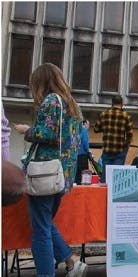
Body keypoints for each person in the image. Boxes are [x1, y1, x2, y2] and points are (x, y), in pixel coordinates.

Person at [12, 63, 87, 277]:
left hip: (44, 172)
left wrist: (27, 131)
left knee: (41, 230)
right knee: (44, 222)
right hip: (61, 175)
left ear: (41, 82)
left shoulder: (51, 101)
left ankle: (47, 273)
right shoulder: (71, 105)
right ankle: (72, 261)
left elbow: (47, 134)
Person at [93, 95, 133, 182]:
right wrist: (125, 148)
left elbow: (96, 129)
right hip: (120, 150)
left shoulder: (104, 114)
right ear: (122, 104)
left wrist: (106, 128)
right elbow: (130, 134)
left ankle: (104, 194)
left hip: (107, 149)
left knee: (105, 176)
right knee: (117, 177)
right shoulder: (126, 116)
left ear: (112, 103)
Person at [75, 119, 90, 184]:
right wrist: (88, 150)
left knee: (77, 172)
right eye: (88, 124)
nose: (89, 126)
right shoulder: (84, 130)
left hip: (76, 154)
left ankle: (77, 185)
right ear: (84, 124)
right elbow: (85, 142)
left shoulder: (77, 130)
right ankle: (84, 185)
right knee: (84, 172)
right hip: (83, 154)